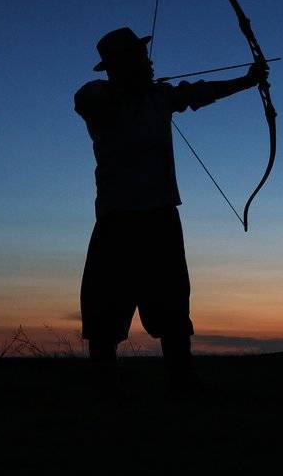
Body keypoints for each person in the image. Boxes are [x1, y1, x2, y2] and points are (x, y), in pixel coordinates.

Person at [75, 26, 267, 395]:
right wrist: (133, 87)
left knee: (173, 305)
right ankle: (103, 387)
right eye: (139, 57)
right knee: (105, 309)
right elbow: (88, 98)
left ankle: (182, 381)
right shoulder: (97, 98)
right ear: (120, 64)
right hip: (117, 219)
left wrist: (248, 81)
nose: (148, 63)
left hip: (160, 216)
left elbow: (200, 92)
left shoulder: (159, 97)